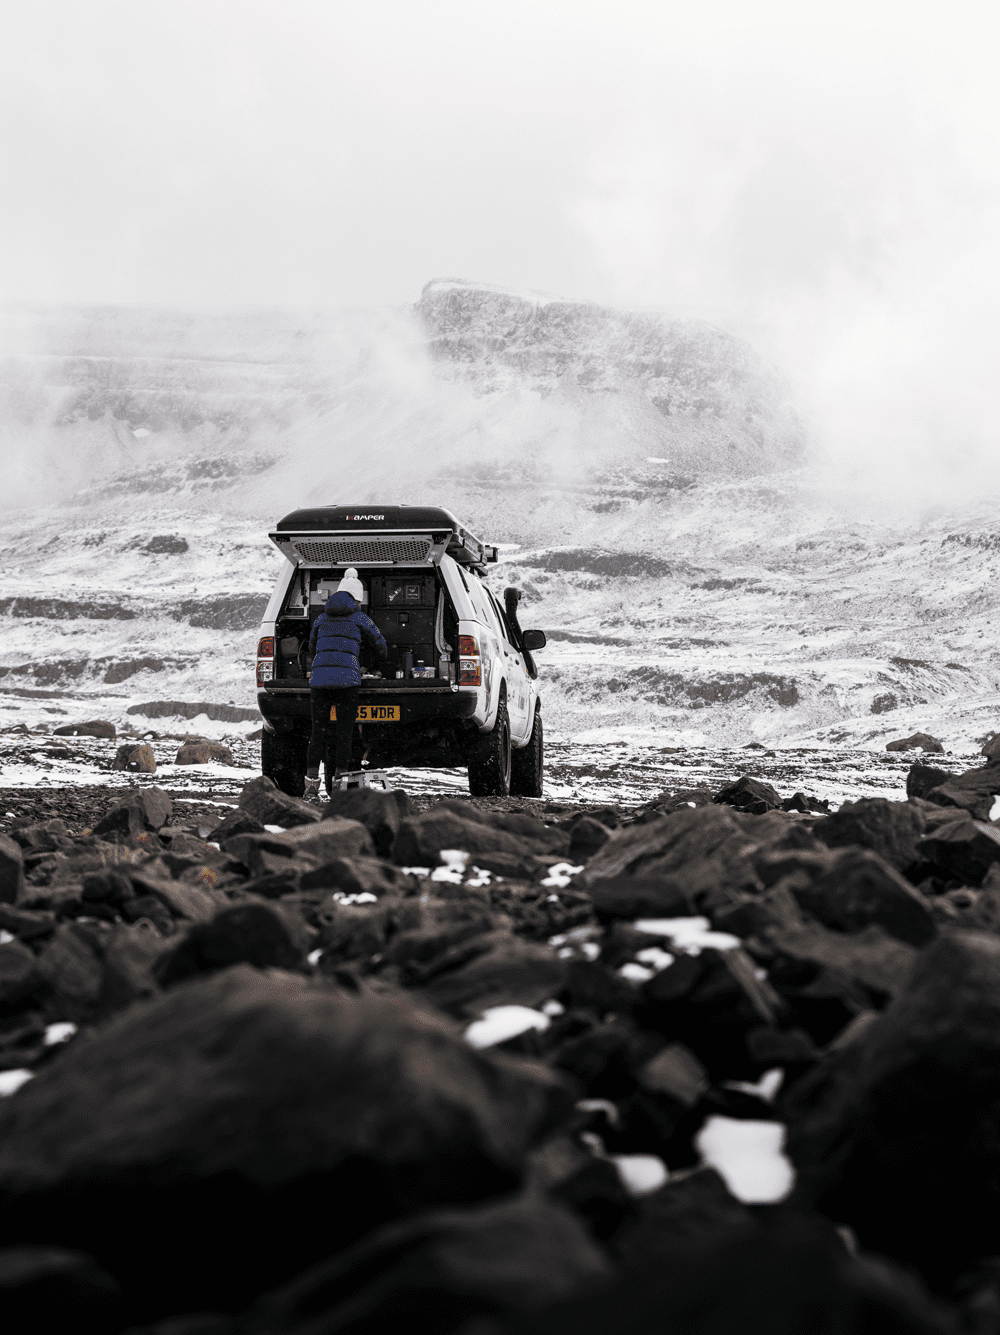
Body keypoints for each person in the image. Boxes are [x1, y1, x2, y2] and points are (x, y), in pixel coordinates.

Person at [303, 568, 387, 797]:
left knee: (317, 733)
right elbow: (380, 644)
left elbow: (311, 647)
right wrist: (376, 663)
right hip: (347, 682)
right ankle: (339, 786)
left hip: (319, 682)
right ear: (357, 599)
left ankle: (310, 787)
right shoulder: (360, 617)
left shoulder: (320, 617)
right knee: (344, 733)